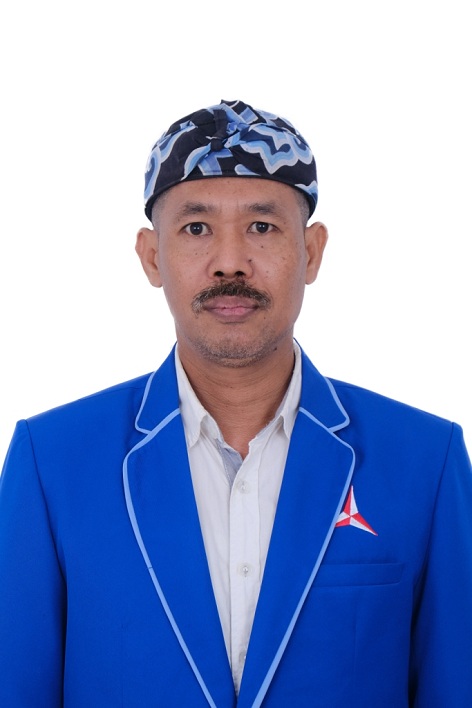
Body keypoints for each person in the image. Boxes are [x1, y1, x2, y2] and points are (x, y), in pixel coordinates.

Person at [0, 99, 471, 708]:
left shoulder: (425, 461)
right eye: (196, 228)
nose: (230, 262)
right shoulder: (52, 462)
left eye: (262, 227)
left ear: (312, 252)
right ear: (152, 256)